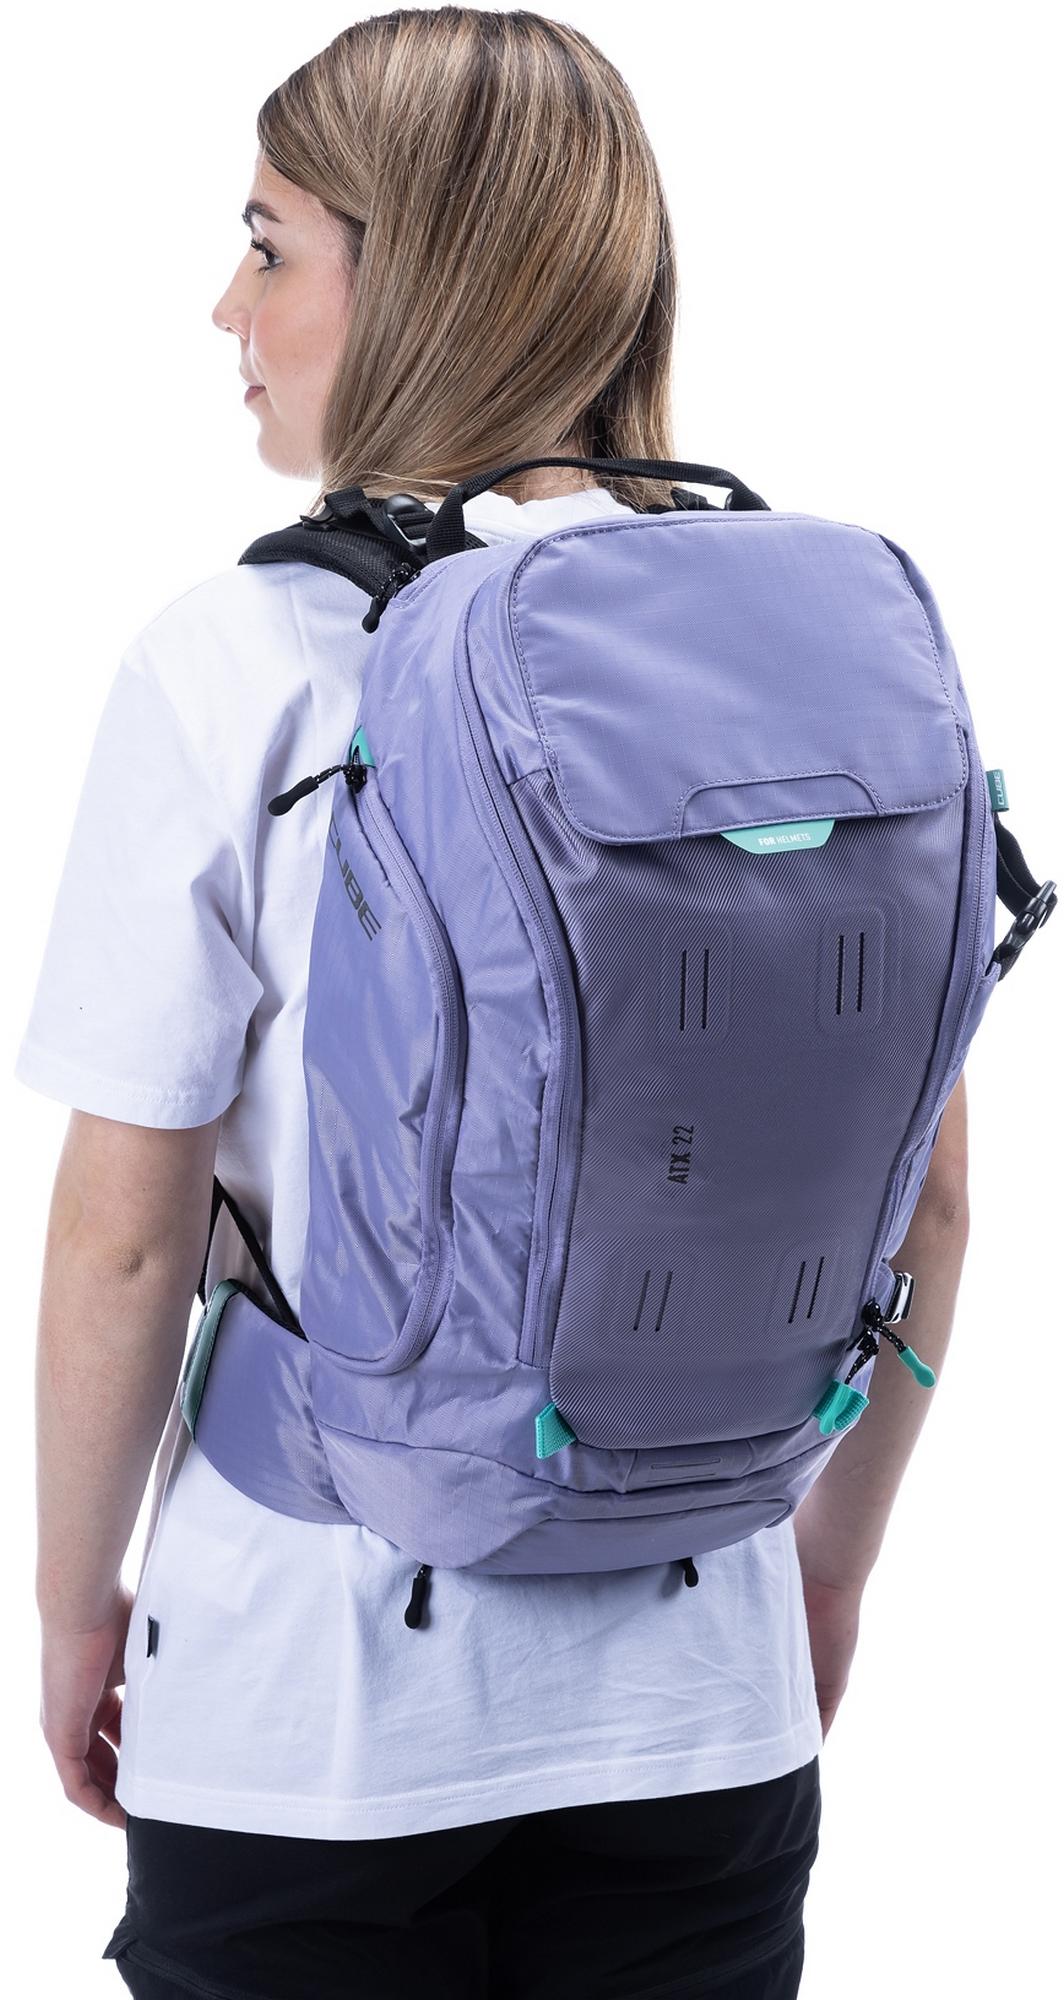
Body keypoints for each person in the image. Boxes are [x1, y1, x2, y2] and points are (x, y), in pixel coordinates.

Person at [18, 10, 970, 1998]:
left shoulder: (235, 658)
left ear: (420, 279)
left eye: (270, 245)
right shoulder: (811, 651)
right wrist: (824, 1579)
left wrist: (76, 1607)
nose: (227, 308)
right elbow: (931, 1207)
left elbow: (125, 1240)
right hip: (707, 1709)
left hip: (308, 1700)